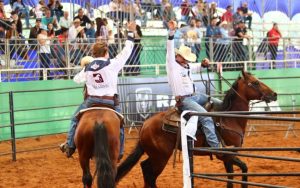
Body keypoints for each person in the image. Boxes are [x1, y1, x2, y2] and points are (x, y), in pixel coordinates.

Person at [60, 21, 137, 158]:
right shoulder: (113, 63)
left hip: (91, 102)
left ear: (94, 54)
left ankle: (70, 145)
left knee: (74, 119)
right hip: (110, 102)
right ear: (106, 52)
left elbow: (76, 79)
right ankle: (119, 152)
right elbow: (127, 50)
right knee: (120, 125)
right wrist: (130, 33)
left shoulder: (88, 67)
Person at [166, 20, 225, 150]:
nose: (186, 59)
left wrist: (203, 64)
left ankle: (224, 131)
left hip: (195, 96)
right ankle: (216, 147)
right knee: (205, 116)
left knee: (218, 102)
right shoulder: (172, 65)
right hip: (184, 100)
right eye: (184, 57)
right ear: (178, 56)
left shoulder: (185, 65)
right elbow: (169, 46)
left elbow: (196, 66)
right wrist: (171, 32)